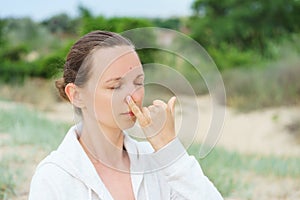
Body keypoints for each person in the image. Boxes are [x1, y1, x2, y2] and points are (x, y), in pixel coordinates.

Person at [29, 30, 223, 200]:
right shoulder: (53, 177)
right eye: (115, 86)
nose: (134, 96)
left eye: (138, 82)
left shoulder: (156, 161)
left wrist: (170, 150)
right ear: (76, 95)